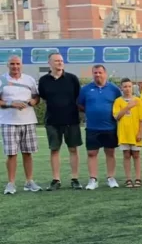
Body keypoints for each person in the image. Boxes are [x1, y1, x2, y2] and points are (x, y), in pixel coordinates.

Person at [37, 52, 82, 190]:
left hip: (71, 120)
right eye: (56, 61)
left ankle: (75, 179)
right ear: (49, 63)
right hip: (52, 121)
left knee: (73, 149)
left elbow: (77, 97)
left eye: (61, 60)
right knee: (54, 149)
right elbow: (44, 97)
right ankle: (56, 179)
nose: (60, 63)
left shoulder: (72, 79)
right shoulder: (43, 81)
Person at [78, 64, 123, 189]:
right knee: (92, 153)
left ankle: (111, 178)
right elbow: (80, 105)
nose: (97, 75)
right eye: (95, 73)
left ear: (105, 74)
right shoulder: (85, 89)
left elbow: (120, 104)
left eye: (100, 72)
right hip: (92, 127)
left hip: (110, 127)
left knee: (110, 152)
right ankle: (93, 179)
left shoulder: (114, 89)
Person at [1, 55, 41, 195]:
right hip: (8, 122)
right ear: (8, 65)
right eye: (12, 64)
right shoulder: (2, 79)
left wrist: (33, 102)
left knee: (27, 153)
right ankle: (11, 183)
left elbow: (37, 97)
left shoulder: (29, 79)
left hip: (28, 120)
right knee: (11, 154)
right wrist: (11, 103)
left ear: (21, 65)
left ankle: (29, 181)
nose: (15, 66)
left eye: (18, 64)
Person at [113, 78, 142, 188]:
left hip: (135, 132)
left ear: (132, 87)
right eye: (125, 87)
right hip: (124, 133)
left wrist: (140, 133)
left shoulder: (138, 101)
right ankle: (128, 179)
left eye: (129, 86)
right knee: (126, 154)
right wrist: (127, 107)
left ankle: (138, 178)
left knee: (136, 155)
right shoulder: (118, 101)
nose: (127, 89)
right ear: (121, 88)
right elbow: (117, 116)